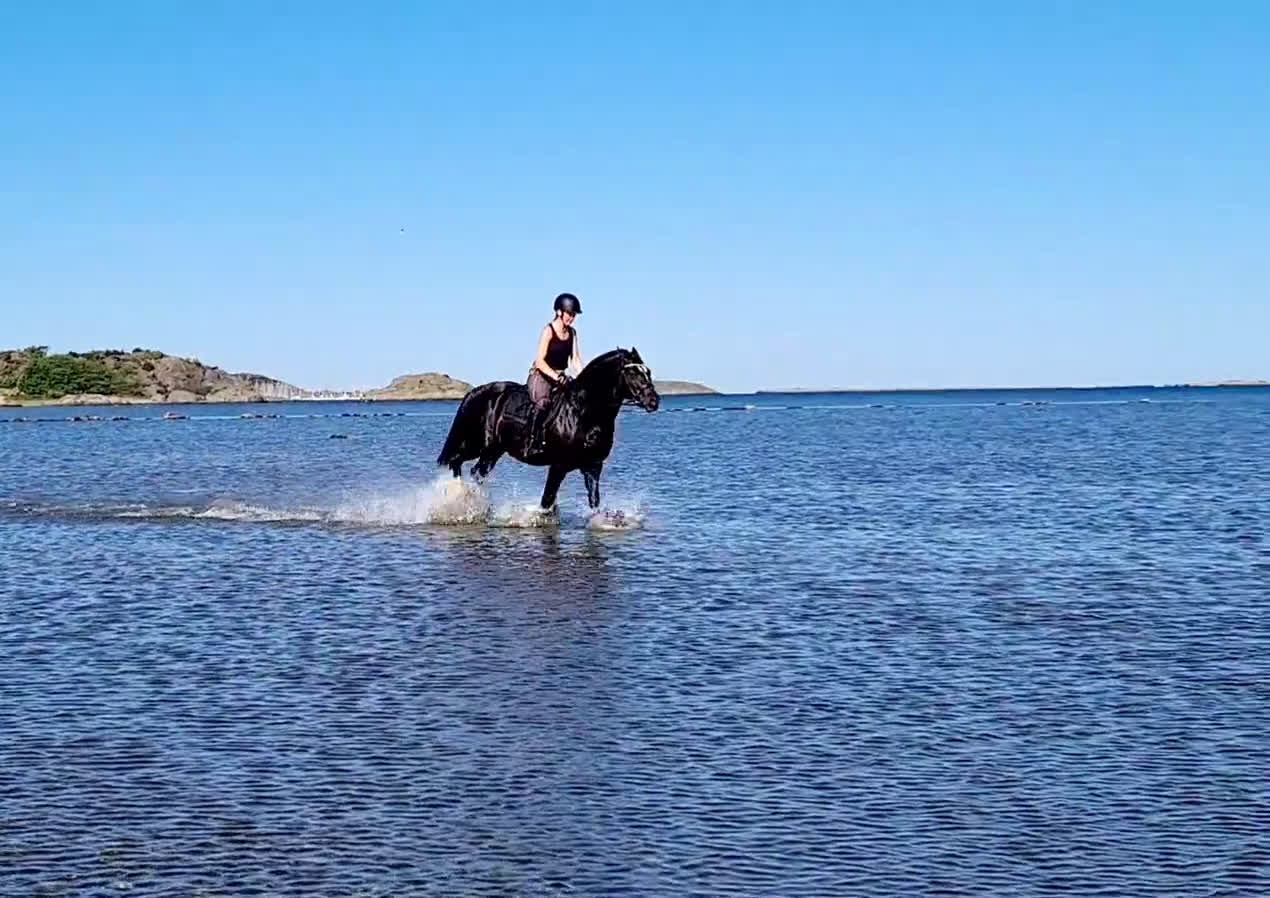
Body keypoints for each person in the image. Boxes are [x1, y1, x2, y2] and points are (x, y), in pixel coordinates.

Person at [525, 292, 583, 454]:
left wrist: (584, 378)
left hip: (560, 377)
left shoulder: (572, 333)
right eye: (570, 314)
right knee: (543, 403)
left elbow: (576, 359)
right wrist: (556, 376)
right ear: (559, 312)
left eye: (574, 315)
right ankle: (532, 441)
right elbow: (540, 361)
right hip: (541, 376)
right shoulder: (548, 331)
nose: (572, 318)